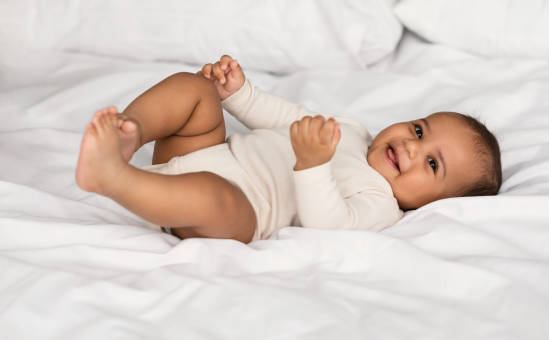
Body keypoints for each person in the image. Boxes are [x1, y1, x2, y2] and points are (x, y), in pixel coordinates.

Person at [75, 55, 502, 244]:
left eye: (431, 163)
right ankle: (129, 135)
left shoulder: (381, 204)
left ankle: (112, 178)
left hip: (237, 213)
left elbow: (329, 225)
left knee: (215, 195)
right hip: (204, 151)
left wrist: (313, 166)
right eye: (419, 129)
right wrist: (239, 93)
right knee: (195, 90)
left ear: (433, 203)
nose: (410, 145)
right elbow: (286, 118)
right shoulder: (352, 131)